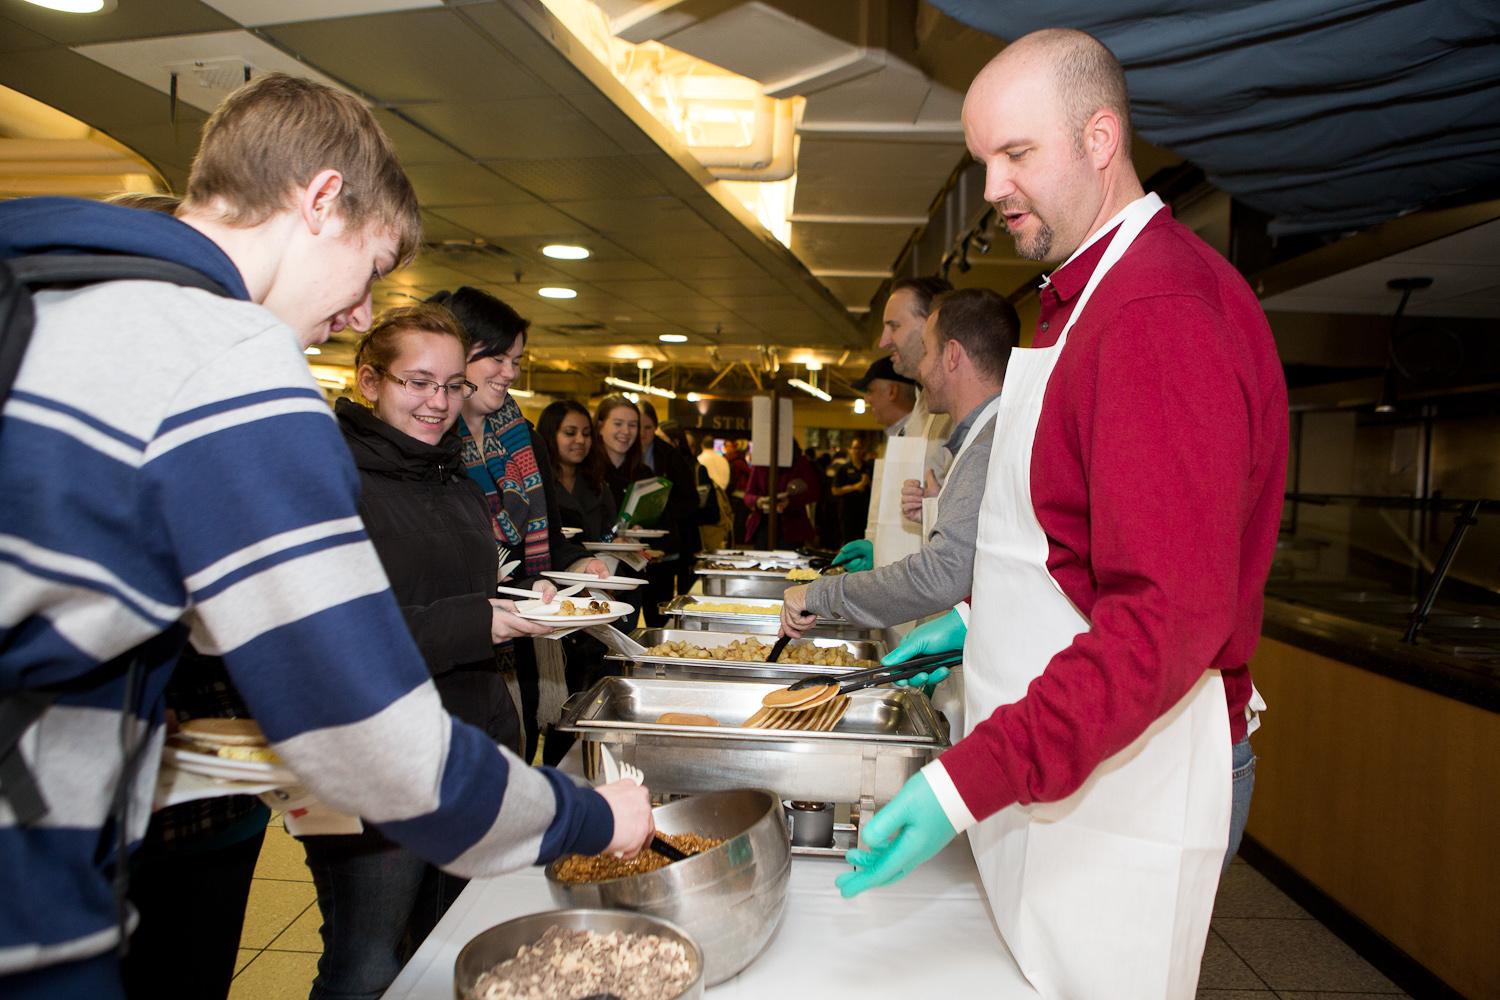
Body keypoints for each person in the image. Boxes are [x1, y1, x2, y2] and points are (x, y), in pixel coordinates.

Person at [0, 73, 652, 998]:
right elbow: (368, 738)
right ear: (320, 200)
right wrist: (585, 817)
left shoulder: (57, 289)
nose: (355, 316)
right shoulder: (227, 358)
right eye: (372, 269)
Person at [836, 31, 1288, 1000]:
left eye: (1017, 154)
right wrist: (969, 623)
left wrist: (967, 779)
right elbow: (1073, 546)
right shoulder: (1080, 300)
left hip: (1137, 767)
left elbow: (1165, 618)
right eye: (983, 159)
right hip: (1085, 751)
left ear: (1099, 137)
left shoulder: (1153, 308)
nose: (993, 187)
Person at [304, 303, 557, 999]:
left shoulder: (454, 479)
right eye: (417, 382)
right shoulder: (333, 483)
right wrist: (484, 622)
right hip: (373, 762)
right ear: (369, 381)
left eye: (450, 386)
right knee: (368, 960)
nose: (436, 403)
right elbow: (343, 638)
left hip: (469, 747)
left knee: (450, 943)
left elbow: (468, 596)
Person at [781, 289, 1017, 659]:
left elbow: (941, 573)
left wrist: (820, 594)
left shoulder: (987, 445)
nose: (920, 371)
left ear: (952, 355)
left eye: (926, 352)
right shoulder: (985, 436)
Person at [433, 286, 610, 764]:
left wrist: (582, 561)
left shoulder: (522, 436)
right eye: (497, 357)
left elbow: (549, 538)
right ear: (457, 350)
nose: (510, 372)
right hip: (454, 650)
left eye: (516, 360)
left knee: (517, 755)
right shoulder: (431, 441)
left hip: (528, 641)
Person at [831, 357, 917, 571]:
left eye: (871, 391)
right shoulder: (898, 435)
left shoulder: (924, 437)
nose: (868, 400)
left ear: (892, 392)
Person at [637, 402, 699, 626]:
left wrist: (659, 510)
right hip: (631, 548)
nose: (642, 433)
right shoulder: (622, 453)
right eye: (638, 426)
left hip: (664, 548)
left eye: (648, 427)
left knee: (657, 612)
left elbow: (690, 500)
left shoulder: (669, 455)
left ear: (655, 427)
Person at [539, 399, 617, 541]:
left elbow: (610, 532)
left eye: (586, 434)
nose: (581, 440)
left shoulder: (597, 484)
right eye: (570, 433)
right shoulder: (535, 483)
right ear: (550, 435)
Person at [742, 441, 821, 547]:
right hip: (763, 524)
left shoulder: (800, 463)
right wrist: (758, 501)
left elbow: (814, 492)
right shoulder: (760, 464)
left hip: (792, 526)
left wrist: (791, 501)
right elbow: (748, 495)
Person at [828, 434, 874, 545]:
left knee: (864, 540)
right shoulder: (843, 469)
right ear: (850, 450)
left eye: (859, 448)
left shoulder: (869, 467)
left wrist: (868, 483)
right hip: (848, 510)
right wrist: (855, 487)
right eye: (855, 448)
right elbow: (835, 490)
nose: (857, 451)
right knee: (848, 540)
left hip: (865, 510)